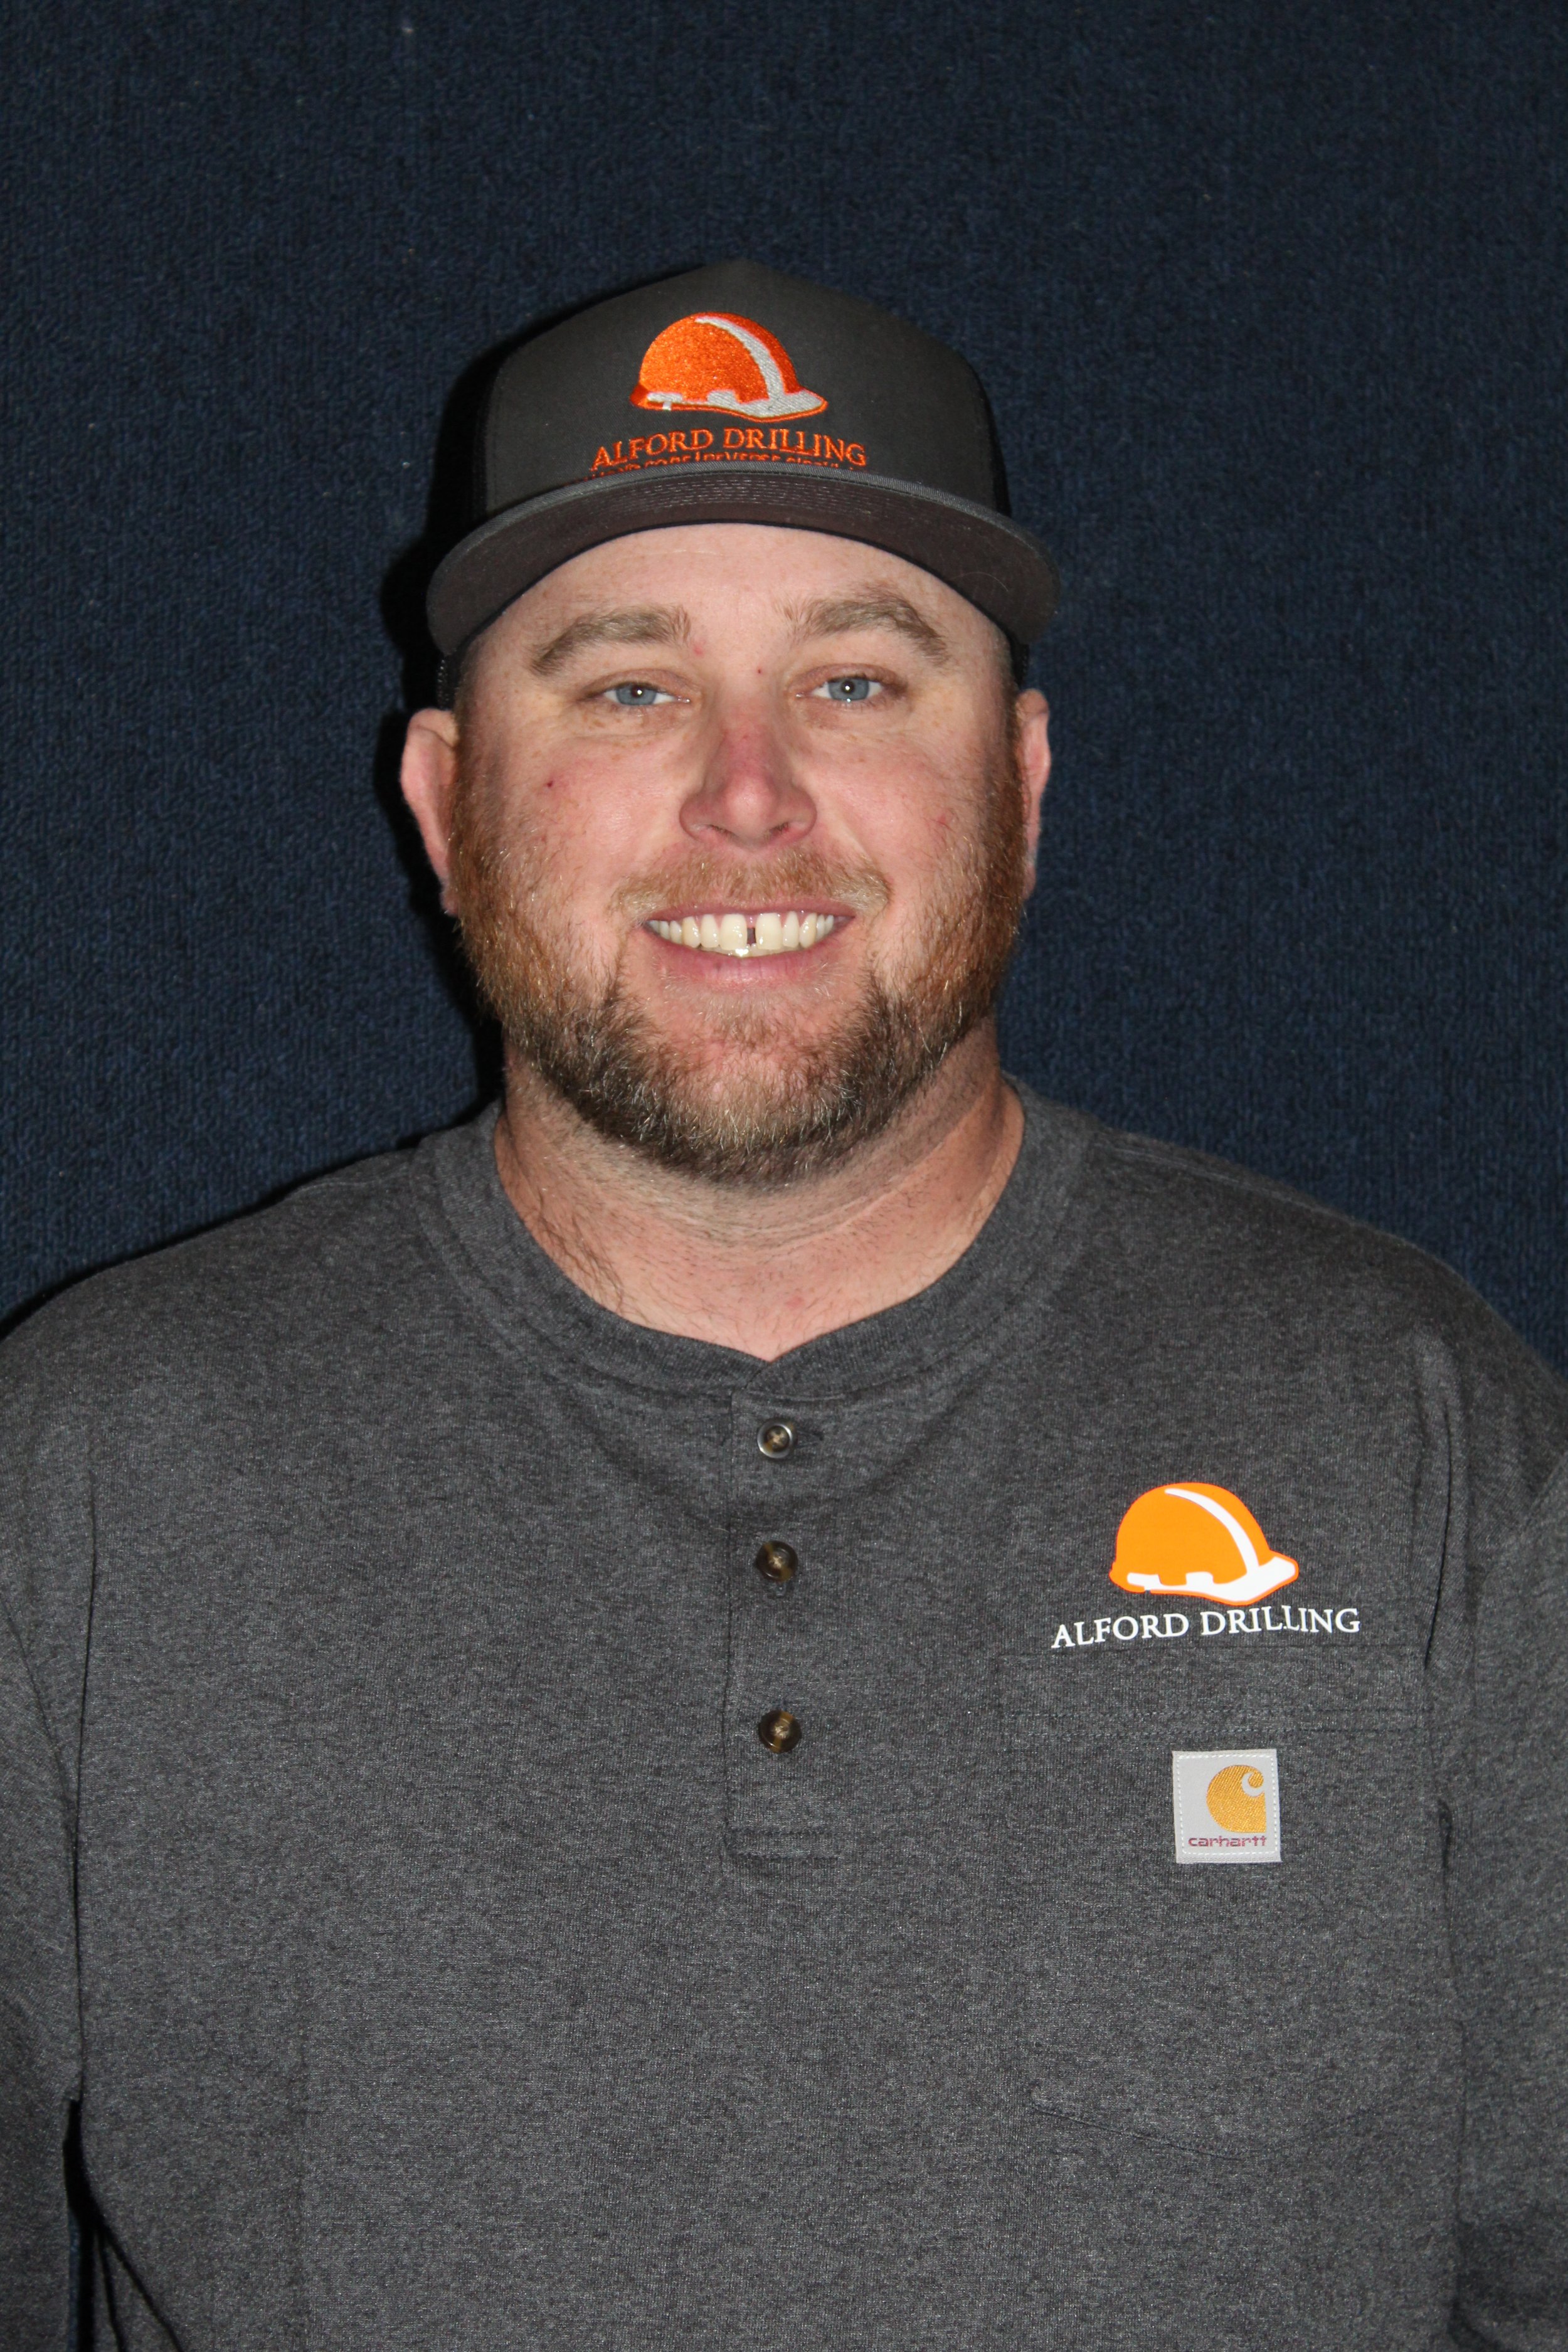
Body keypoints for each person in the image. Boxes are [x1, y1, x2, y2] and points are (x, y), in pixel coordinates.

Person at [2, 260, 1564, 2351]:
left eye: (855, 681)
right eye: (626, 687)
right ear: (445, 806)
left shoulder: (1407, 1418)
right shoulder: (92, 1468)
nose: (748, 795)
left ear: (1017, 783)